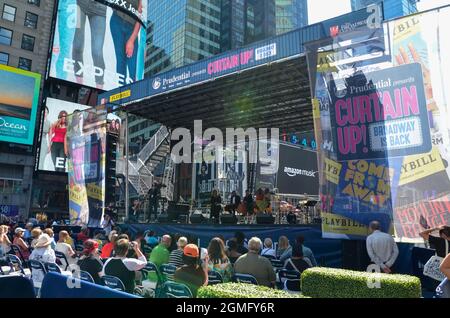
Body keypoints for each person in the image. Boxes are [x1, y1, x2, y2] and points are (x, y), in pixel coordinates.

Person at [72, 0, 107, 89]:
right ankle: (77, 87)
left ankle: (100, 91)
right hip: (80, 4)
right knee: (77, 46)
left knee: (97, 52)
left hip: (100, 8)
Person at [110, 0, 143, 86]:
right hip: (116, 21)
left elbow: (140, 15)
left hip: (132, 27)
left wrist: (132, 40)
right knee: (120, 60)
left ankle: (134, 94)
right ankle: (120, 93)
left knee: (133, 66)